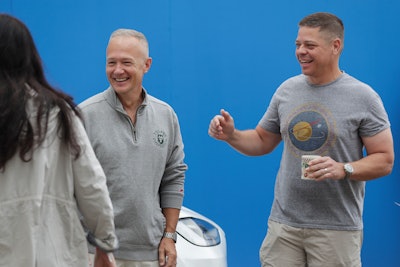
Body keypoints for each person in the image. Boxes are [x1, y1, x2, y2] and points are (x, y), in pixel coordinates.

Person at [208, 12, 394, 267]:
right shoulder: (287, 90)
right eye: (298, 45)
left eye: (310, 45)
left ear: (335, 46)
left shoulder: (364, 97)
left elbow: (384, 160)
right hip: (284, 226)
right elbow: (262, 140)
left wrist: (344, 169)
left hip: (336, 229)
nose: (300, 52)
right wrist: (232, 135)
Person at [0, 13, 118, 267]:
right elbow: (91, 185)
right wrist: (105, 244)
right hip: (54, 255)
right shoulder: (56, 113)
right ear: (29, 57)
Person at [79, 28, 187, 267]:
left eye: (126, 62)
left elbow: (173, 178)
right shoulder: (84, 116)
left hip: (150, 254)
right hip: (93, 254)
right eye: (111, 62)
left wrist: (169, 236)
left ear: (146, 65)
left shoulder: (166, 116)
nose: (118, 70)